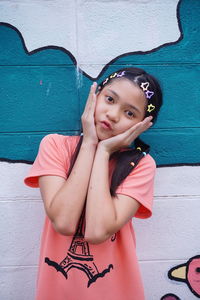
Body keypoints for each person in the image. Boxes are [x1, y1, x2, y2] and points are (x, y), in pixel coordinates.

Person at [24, 67, 162, 300]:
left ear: (142, 125)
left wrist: (104, 151)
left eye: (130, 113)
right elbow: (64, 222)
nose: (113, 115)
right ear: (95, 95)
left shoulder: (141, 166)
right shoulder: (55, 146)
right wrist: (89, 143)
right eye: (109, 99)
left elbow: (97, 231)